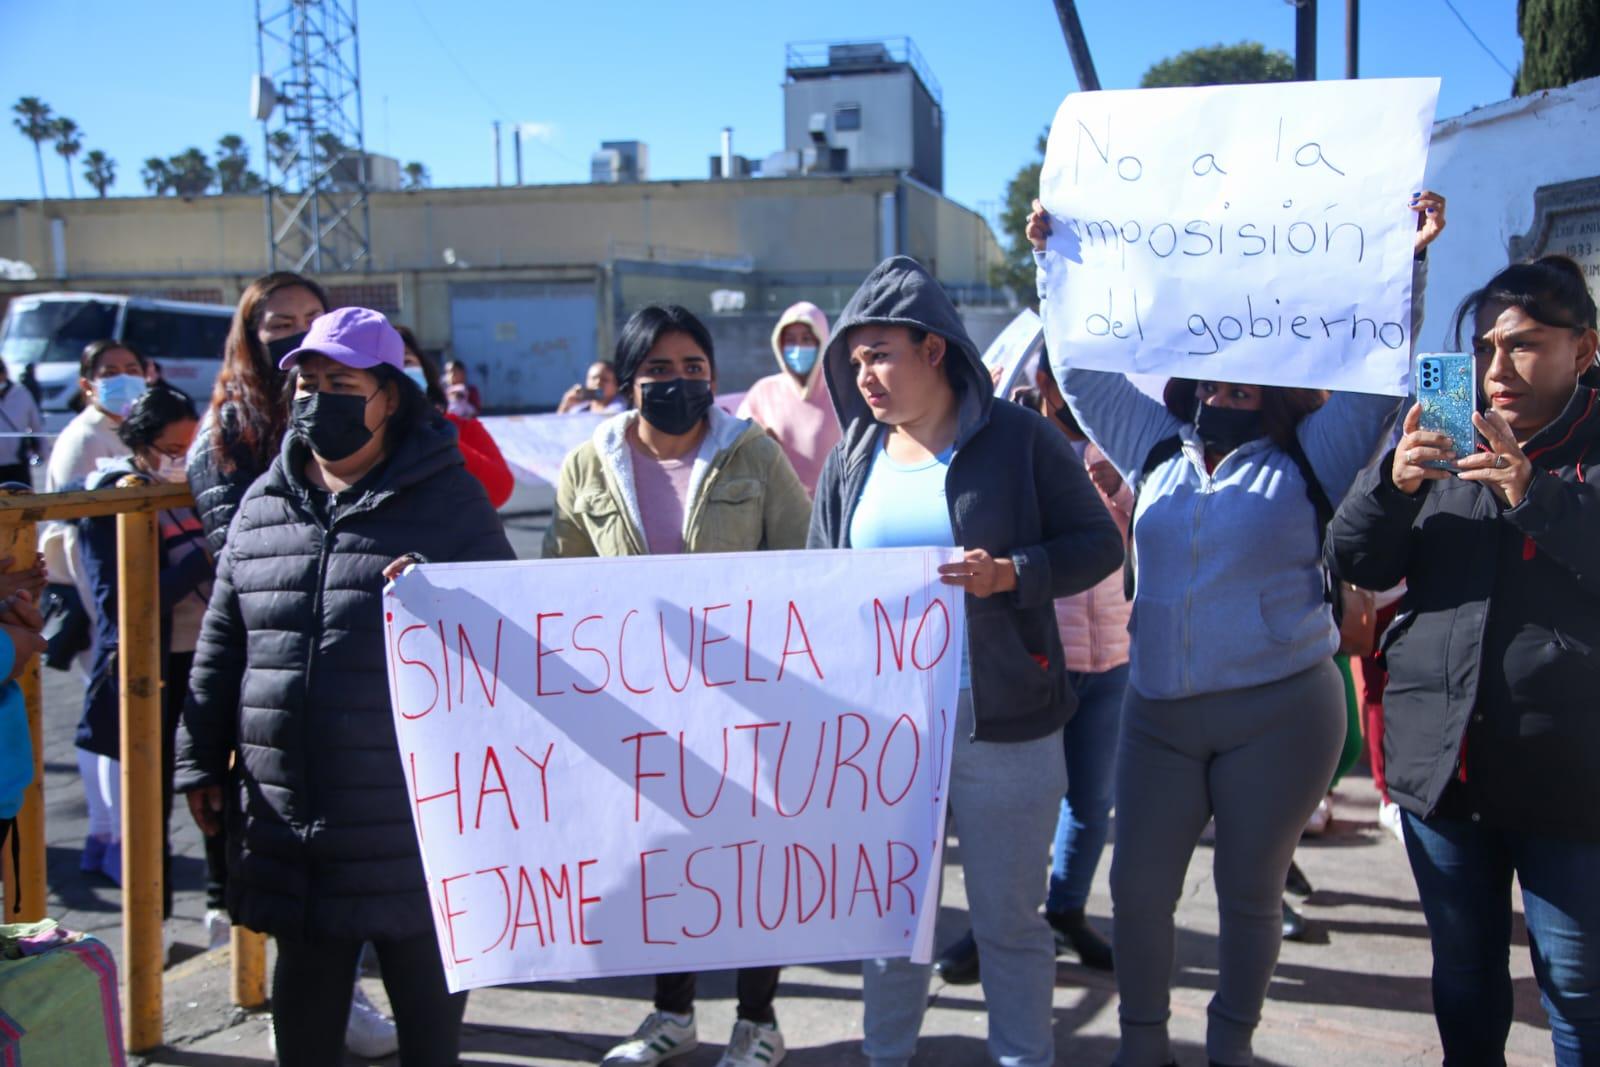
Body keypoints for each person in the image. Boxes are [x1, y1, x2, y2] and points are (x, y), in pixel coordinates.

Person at [1029, 190, 1444, 1067]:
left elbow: (1380, 368)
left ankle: (1231, 1049)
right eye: (1215, 350)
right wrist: (1051, 264)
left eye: (1253, 348)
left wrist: (1406, 261)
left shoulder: (1313, 450)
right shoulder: (1153, 442)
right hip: (1159, 713)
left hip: (1280, 711)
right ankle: (1143, 1048)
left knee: (1247, 892)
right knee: (1139, 890)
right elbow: (1079, 370)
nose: (1230, 369)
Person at [175, 307, 514, 1066]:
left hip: (413, 834)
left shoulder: (450, 501)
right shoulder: (264, 504)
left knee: (429, 1035)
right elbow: (223, 641)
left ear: (389, 395)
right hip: (293, 826)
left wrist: (445, 601)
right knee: (305, 1028)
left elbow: (506, 636)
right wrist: (198, 758)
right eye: (308, 380)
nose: (315, 396)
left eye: (341, 382)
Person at [809, 256, 1124, 1067]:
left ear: (935, 348)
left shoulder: (1021, 440)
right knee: (891, 919)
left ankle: (1024, 1056)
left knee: (1010, 921)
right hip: (882, 734)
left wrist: (1012, 574)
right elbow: (816, 579)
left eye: (880, 352)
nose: (865, 374)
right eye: (855, 360)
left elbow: (1096, 545)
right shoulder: (851, 456)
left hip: (1006, 722)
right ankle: (887, 1056)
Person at [1327, 254, 1600, 1065]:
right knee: (1466, 977)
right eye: (1484, 349)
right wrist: (1394, 485)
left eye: (1523, 345)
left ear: (1584, 352)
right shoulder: (1443, 436)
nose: (1496, 368)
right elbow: (1353, 557)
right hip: (1447, 770)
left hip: (1571, 779)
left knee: (1578, 988)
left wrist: (1532, 494)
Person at [544, 304, 811, 1067]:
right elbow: (558, 581)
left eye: (693, 367)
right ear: (629, 379)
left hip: (747, 698)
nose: (677, 381)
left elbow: (804, 562)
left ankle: (757, 1019)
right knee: (666, 855)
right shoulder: (587, 466)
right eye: (658, 368)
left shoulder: (754, 456)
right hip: (640, 705)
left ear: (714, 378)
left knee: (755, 858)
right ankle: (671, 1013)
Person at [933, 352, 1129, 985]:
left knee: (1091, 801)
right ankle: (996, 924)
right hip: (1039, 656)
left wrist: (1118, 491)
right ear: (1046, 383)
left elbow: (1124, 545)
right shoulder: (1009, 446)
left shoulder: (1123, 444)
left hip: (1115, 655)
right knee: (1020, 809)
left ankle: (1066, 910)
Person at [77, 385, 211, 913]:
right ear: (141, 444)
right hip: (153, 671)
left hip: (206, 659)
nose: (182, 460)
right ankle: (150, 923)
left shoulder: (198, 486)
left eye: (191, 446)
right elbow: (122, 608)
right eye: (172, 450)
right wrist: (199, 563)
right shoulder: (114, 496)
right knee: (149, 806)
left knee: (216, 797)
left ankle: (221, 914)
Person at [42, 338, 147, 883]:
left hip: (114, 604)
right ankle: (109, 837)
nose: (124, 378)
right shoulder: (82, 439)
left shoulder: (128, 428)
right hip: (96, 604)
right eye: (111, 372)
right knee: (105, 729)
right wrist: (100, 611)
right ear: (88, 384)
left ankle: (111, 837)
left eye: (133, 369)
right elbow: (70, 536)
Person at [188, 271, 328, 554]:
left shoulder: (343, 403)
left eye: (314, 321)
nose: (304, 333)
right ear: (253, 339)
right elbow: (230, 538)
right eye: (283, 325)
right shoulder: (231, 421)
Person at [397, 326, 515, 508]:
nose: (399, 371)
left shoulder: (458, 427)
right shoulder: (362, 441)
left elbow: (500, 490)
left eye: (406, 360)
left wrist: (435, 433)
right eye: (388, 365)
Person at [736, 302, 842, 495]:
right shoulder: (764, 392)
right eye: (791, 340)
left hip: (834, 509)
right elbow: (738, 443)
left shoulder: (841, 391)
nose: (798, 348)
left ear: (822, 342)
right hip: (779, 510)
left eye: (807, 339)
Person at [0, 358, 46, 485]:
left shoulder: (22, 394)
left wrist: (44, 454)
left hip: (18, 465)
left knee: (24, 500)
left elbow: (36, 426)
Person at [557, 360, 626, 414]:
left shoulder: (623, 409)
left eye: (604, 380)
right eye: (594, 378)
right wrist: (565, 405)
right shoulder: (579, 410)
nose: (598, 383)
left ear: (616, 385)